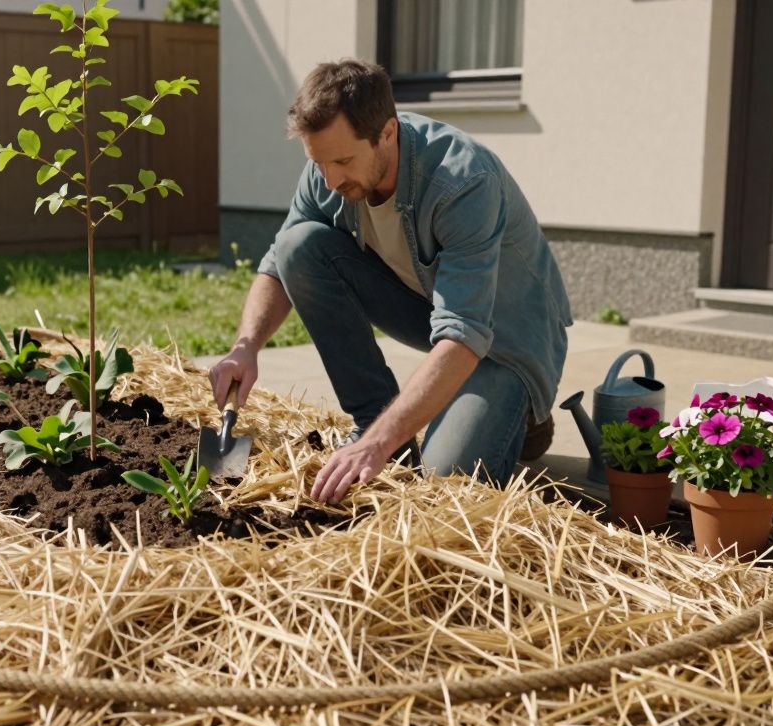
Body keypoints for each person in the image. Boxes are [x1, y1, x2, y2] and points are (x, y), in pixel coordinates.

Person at [208, 59, 573, 505]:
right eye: (318, 161)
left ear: (387, 132)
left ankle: (521, 414)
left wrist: (374, 447)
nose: (330, 179)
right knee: (298, 246)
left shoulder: (463, 181)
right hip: (434, 311)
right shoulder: (329, 171)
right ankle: (374, 422)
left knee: (444, 484)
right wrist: (246, 345)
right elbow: (277, 262)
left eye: (343, 160)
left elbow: (463, 334)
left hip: (508, 341)